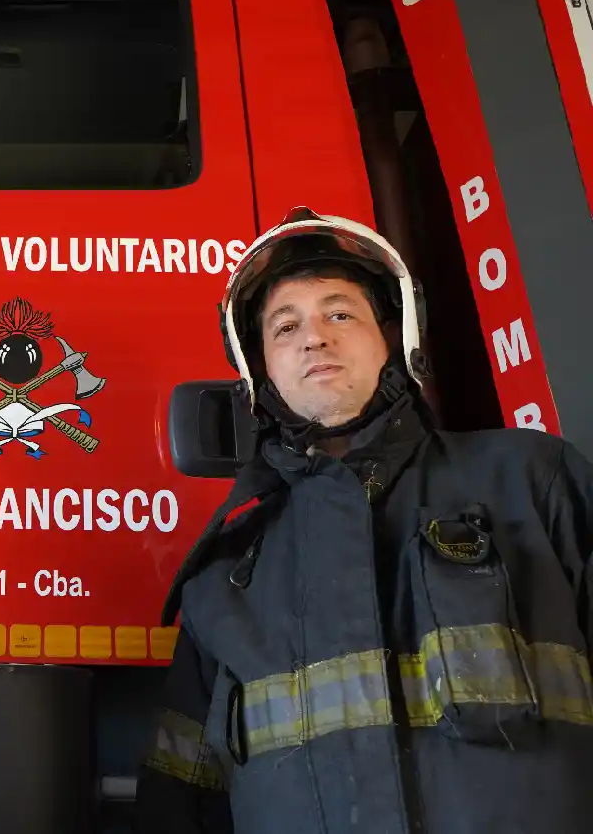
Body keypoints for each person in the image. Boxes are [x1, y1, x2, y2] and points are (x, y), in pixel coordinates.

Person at [134, 206, 593, 833]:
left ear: (396, 337)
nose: (313, 337)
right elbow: (180, 800)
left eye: (339, 313)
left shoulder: (530, 481)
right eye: (284, 326)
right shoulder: (225, 575)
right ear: (260, 370)